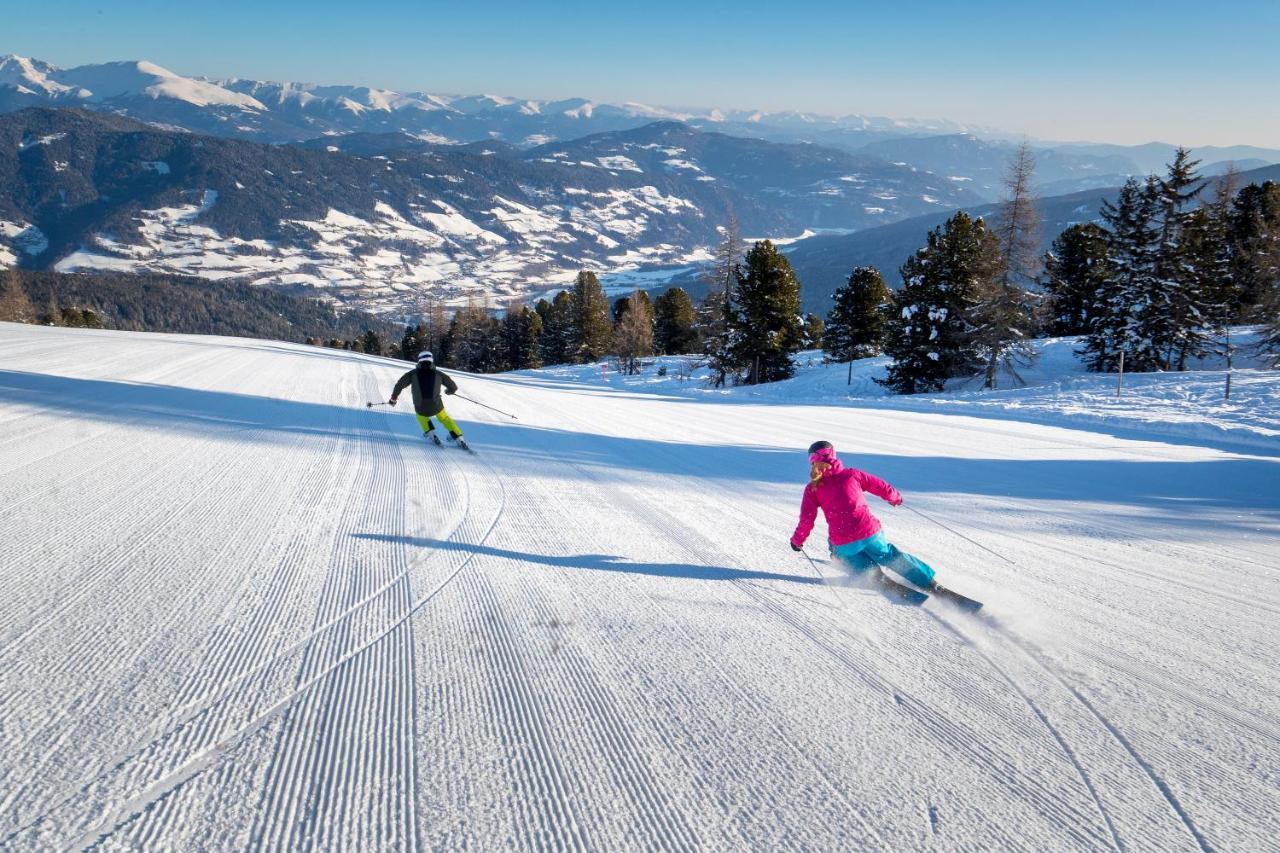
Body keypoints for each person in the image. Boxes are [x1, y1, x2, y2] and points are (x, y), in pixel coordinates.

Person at [789, 440, 937, 590]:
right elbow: (880, 486)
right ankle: (928, 583)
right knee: (888, 555)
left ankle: (875, 578)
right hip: (870, 532)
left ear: (812, 461)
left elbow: (806, 520)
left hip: (843, 540)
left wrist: (797, 540)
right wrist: (895, 498)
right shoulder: (852, 474)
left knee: (841, 554)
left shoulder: (813, 488)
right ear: (833, 455)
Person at [389, 350, 467, 448]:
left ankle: (431, 433)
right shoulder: (439, 374)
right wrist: (449, 391)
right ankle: (459, 437)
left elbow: (399, 385)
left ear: (419, 361)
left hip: (420, 406)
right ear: (432, 360)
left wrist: (394, 398)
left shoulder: (412, 374)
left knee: (421, 417)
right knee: (445, 418)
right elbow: (453, 387)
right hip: (436, 405)